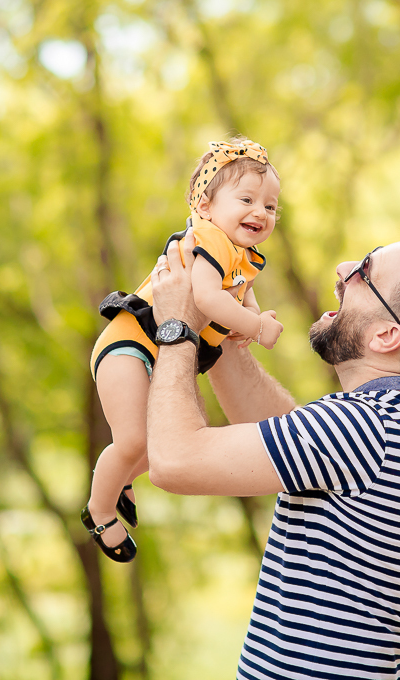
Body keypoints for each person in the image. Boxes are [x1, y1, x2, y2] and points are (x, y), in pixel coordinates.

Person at [146, 230, 400, 680]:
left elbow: (173, 462)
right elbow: (295, 445)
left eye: (364, 272)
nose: (343, 271)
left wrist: (177, 328)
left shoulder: (364, 429)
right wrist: (221, 324)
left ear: (386, 335)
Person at [82, 137, 285, 563]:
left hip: (155, 353)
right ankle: (99, 509)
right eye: (246, 199)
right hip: (128, 344)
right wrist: (257, 327)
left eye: (270, 206)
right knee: (134, 439)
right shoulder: (209, 240)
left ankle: (117, 481)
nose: (260, 212)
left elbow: (241, 294)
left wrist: (250, 313)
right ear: (206, 206)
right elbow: (209, 300)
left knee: (161, 444)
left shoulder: (242, 254)